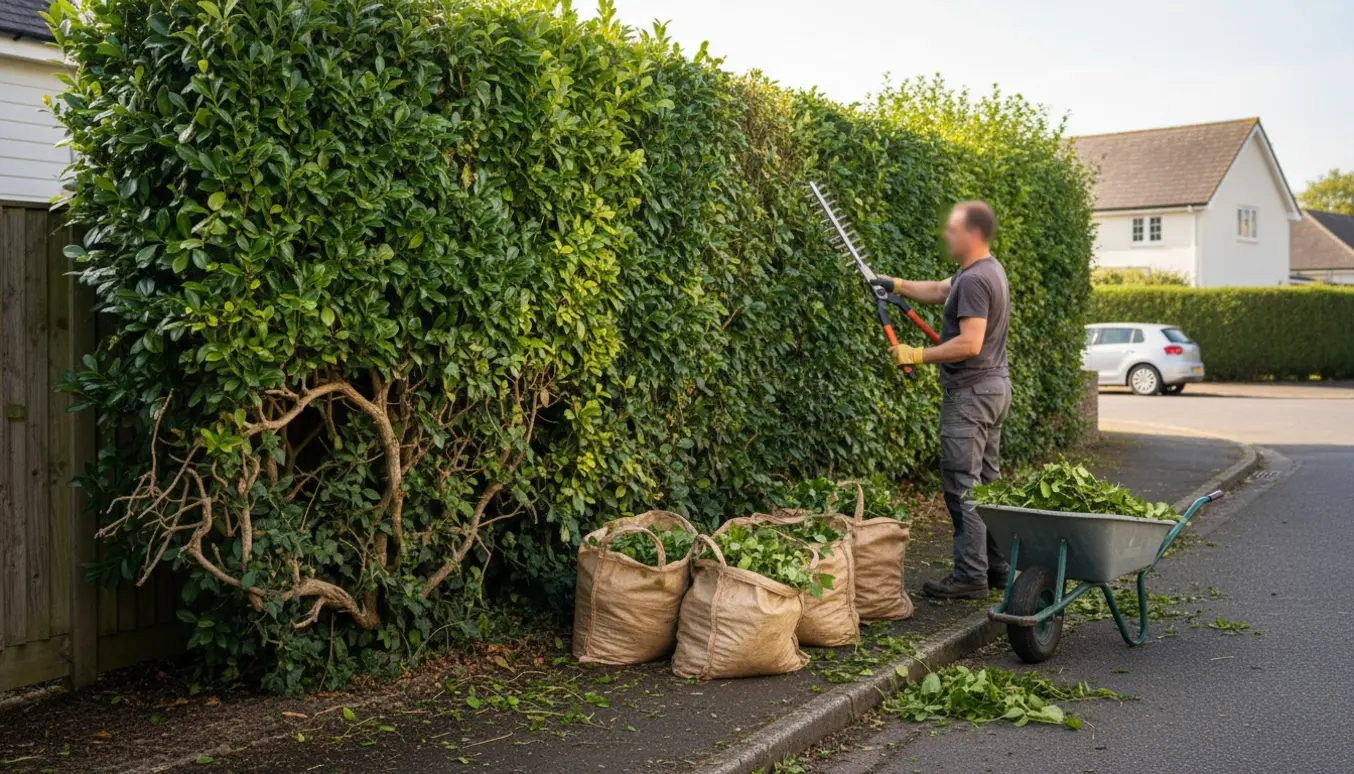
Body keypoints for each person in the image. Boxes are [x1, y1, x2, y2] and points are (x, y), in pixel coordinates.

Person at [873, 201, 1012, 600]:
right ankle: (997, 567)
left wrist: (917, 354)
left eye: (953, 230)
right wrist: (896, 285)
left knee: (963, 487)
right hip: (993, 389)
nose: (946, 235)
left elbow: (969, 343)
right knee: (987, 484)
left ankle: (970, 576)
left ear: (973, 234)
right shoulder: (986, 270)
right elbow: (938, 290)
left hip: (970, 394)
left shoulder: (975, 280)